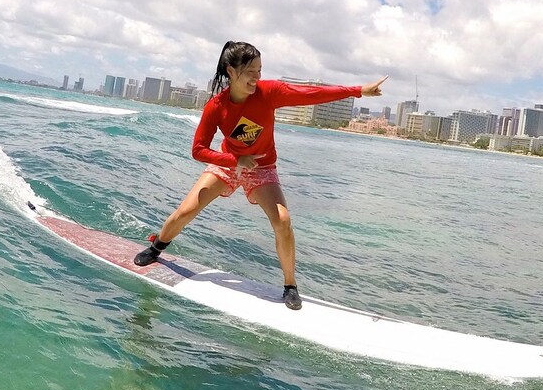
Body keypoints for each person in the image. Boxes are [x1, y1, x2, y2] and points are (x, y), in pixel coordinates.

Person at [133, 41, 387, 310]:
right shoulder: (216, 107)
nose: (257, 77)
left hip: (263, 169)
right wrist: (234, 159)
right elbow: (198, 150)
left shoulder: (269, 93)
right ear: (231, 71)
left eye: (260, 70)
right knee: (185, 212)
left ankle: (290, 285)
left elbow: (312, 93)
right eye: (251, 71)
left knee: (283, 221)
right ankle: (157, 247)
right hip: (229, 164)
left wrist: (358, 91)